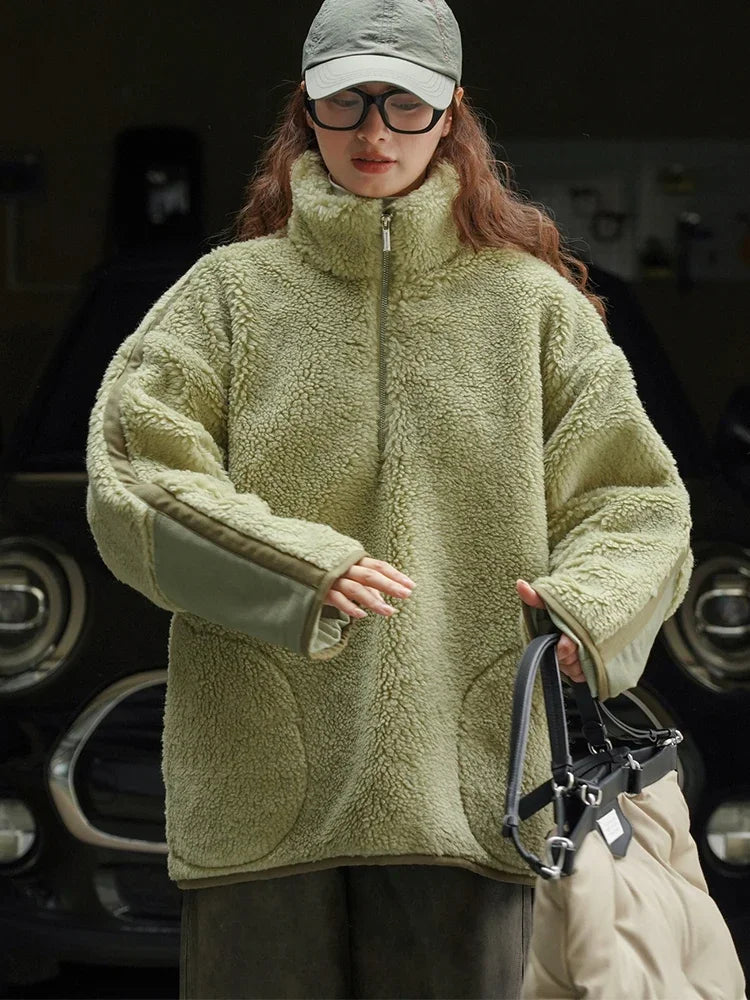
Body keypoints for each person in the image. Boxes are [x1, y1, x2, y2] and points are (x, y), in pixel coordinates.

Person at [85, 0, 694, 996]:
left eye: (405, 104)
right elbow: (133, 474)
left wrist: (589, 609)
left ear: (450, 113)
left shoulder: (530, 305)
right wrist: (297, 566)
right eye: (348, 101)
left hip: (472, 784)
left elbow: (637, 501)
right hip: (260, 790)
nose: (375, 131)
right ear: (307, 111)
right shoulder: (226, 295)